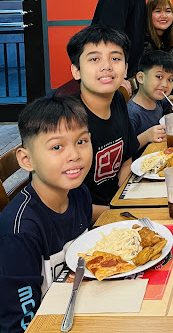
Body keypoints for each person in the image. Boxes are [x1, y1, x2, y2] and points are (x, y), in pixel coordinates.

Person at [0, 95, 92, 332]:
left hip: (80, 304)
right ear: (26, 159)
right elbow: (18, 325)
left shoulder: (79, 193)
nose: (75, 155)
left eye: (82, 141)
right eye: (57, 147)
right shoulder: (20, 233)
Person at [67, 24, 138, 220]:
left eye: (115, 58)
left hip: (115, 206)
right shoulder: (67, 122)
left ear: (125, 69)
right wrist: (117, 213)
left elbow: (126, 160)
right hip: (84, 223)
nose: (107, 66)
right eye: (94, 59)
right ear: (76, 71)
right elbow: (62, 206)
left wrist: (125, 199)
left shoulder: (117, 99)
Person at [127, 51, 173, 157]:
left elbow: (169, 103)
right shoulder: (132, 113)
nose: (165, 84)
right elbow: (125, 150)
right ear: (141, 78)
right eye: (159, 77)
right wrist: (146, 137)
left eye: (170, 79)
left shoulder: (157, 101)